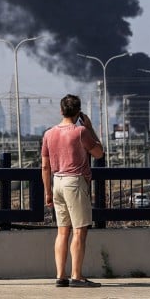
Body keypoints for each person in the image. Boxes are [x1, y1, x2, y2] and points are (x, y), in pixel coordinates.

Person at [41, 94, 104, 288]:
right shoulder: (81, 131)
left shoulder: (49, 134)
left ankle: (61, 276)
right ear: (78, 113)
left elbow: (45, 167)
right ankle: (77, 276)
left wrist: (48, 192)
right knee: (79, 232)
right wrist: (91, 128)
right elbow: (99, 153)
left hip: (57, 182)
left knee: (62, 232)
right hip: (74, 183)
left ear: (61, 110)